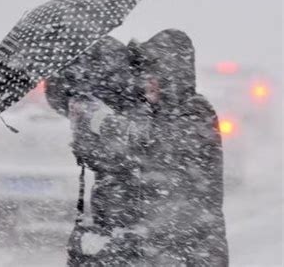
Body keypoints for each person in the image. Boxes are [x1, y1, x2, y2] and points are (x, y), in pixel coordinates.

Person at [46, 29, 228, 266]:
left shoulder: (195, 112)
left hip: (186, 249)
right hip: (140, 246)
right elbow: (116, 158)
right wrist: (83, 117)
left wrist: (102, 121)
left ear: (174, 77)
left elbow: (152, 144)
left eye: (157, 76)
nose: (149, 83)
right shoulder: (144, 111)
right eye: (146, 76)